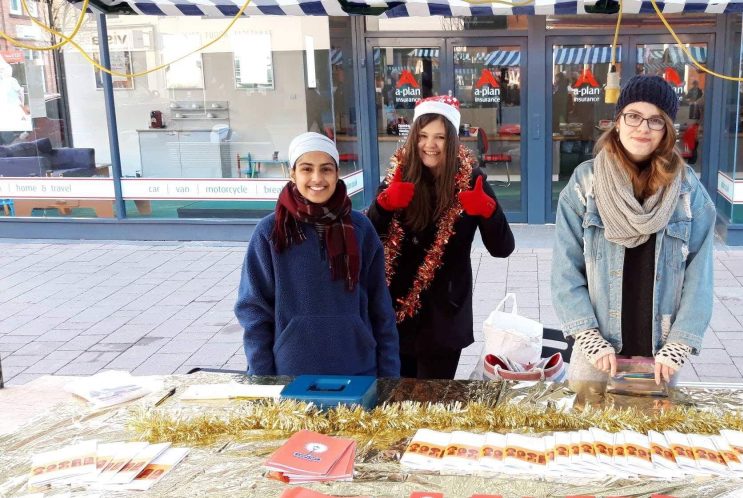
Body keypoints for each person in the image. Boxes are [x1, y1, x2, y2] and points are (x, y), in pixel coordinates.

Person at [551, 75, 715, 386]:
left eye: (656, 120)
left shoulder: (686, 189)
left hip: (661, 354)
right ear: (617, 121)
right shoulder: (585, 183)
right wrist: (588, 337)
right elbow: (565, 271)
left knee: (654, 433)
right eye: (634, 116)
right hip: (598, 351)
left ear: (666, 129)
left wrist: (680, 343)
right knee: (588, 431)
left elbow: (699, 276)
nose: (643, 128)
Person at [367, 95, 515, 379]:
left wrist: (488, 212)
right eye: (422, 136)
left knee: (434, 402)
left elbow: (503, 248)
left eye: (439, 137)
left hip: (444, 316)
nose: (429, 145)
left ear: (453, 139)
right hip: (396, 313)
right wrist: (383, 206)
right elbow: (368, 237)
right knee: (397, 398)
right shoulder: (398, 175)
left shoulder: (472, 179)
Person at [236, 132, 400, 377]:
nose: (317, 178)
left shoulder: (361, 229)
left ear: (337, 174)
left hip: (358, 369)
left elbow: (381, 309)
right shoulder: (271, 232)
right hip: (291, 372)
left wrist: (389, 376)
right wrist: (262, 378)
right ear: (292, 174)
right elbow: (255, 312)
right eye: (306, 169)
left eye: (326, 169)